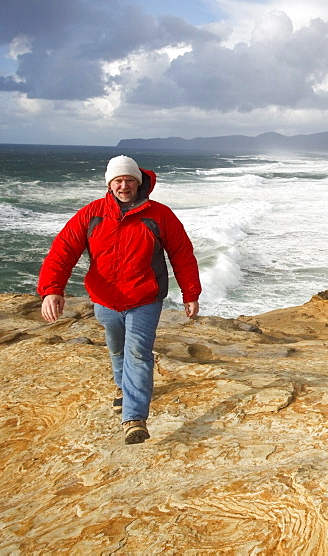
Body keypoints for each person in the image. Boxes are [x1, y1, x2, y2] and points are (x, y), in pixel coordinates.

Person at [38, 155, 201, 445]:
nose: (124, 185)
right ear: (110, 184)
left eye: (129, 180)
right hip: (105, 299)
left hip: (145, 297)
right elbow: (63, 251)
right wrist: (52, 289)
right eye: (118, 181)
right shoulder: (92, 214)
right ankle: (121, 387)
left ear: (138, 183)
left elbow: (182, 255)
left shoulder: (160, 216)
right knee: (116, 348)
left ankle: (134, 418)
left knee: (137, 352)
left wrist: (191, 294)